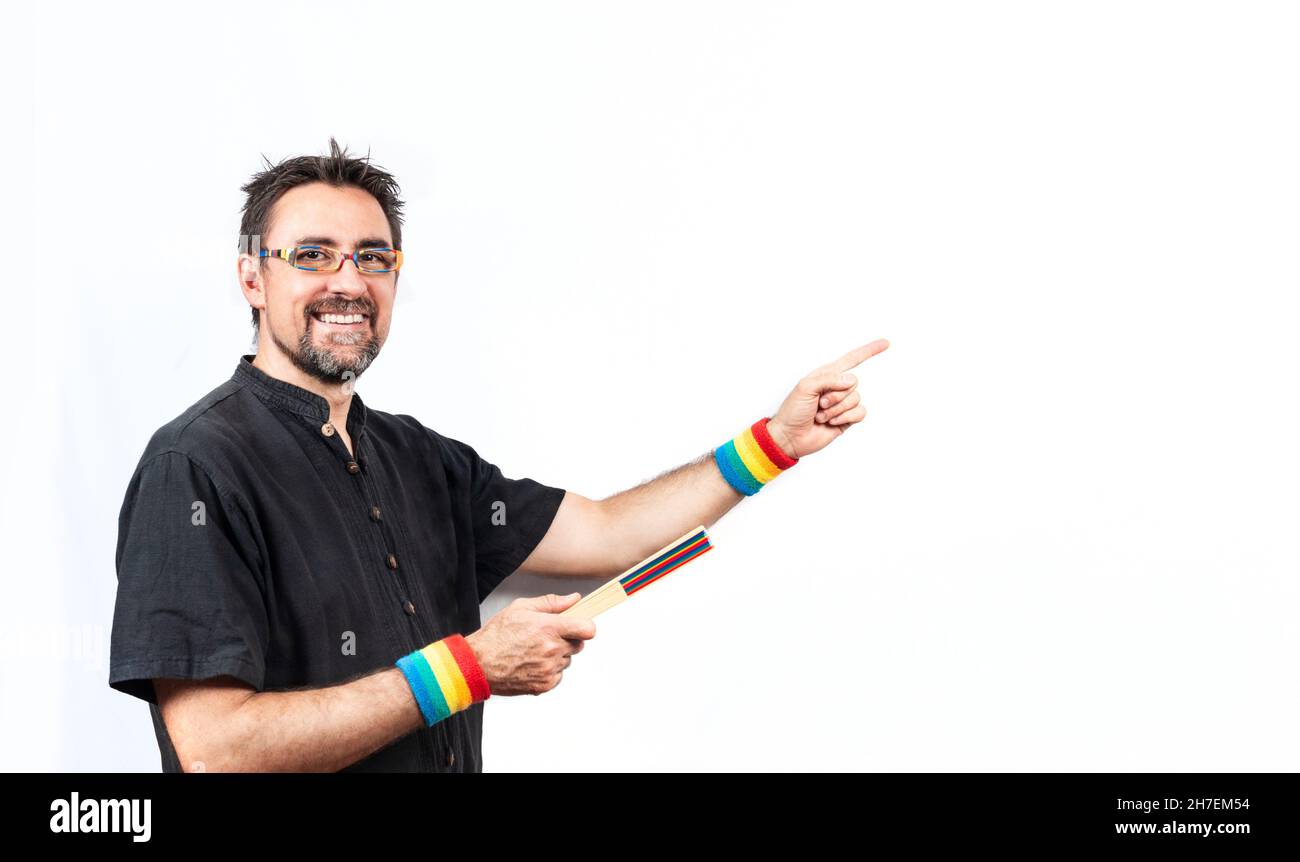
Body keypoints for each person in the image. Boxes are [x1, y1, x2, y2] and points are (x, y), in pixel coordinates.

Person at [108, 137, 889, 772]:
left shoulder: (419, 457)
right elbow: (215, 752)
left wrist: (773, 445)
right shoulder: (196, 466)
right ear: (252, 277)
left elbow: (603, 534)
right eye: (312, 255)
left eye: (373, 258)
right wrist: (469, 668)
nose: (348, 281)